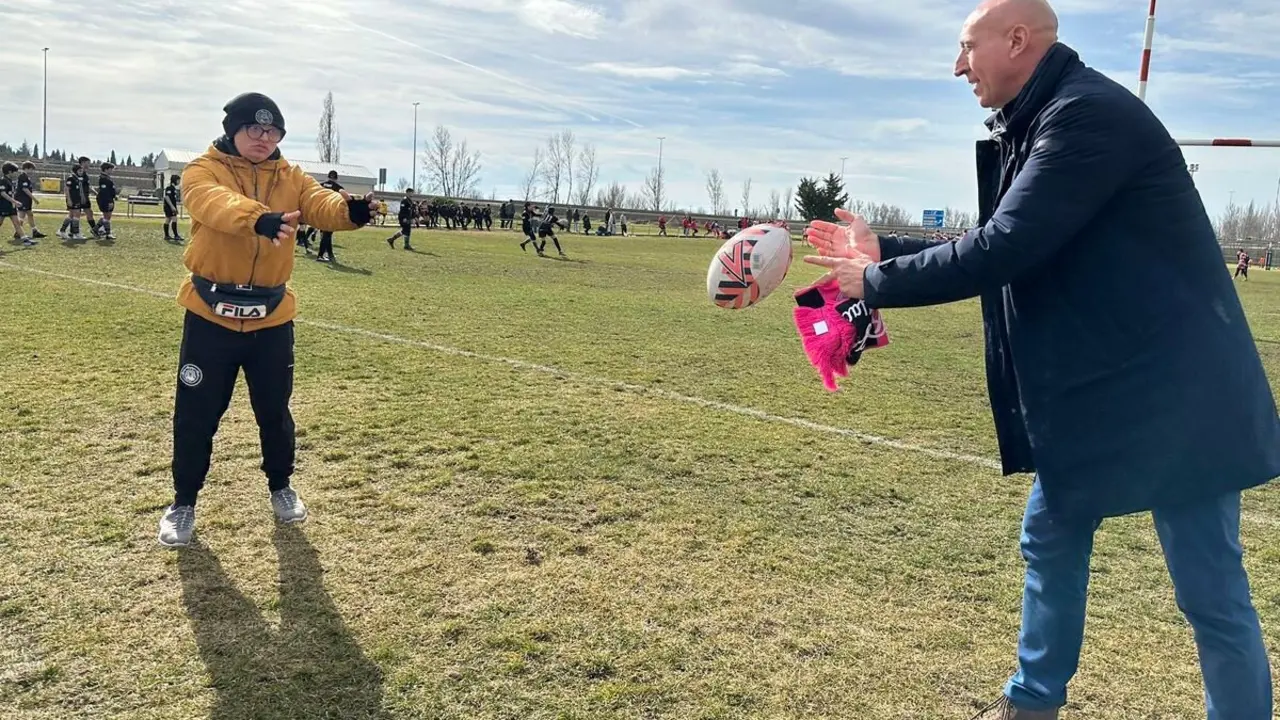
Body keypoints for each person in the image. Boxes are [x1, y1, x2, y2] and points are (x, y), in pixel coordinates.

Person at [803, 1, 1278, 718]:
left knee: (1208, 589)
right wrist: (886, 255)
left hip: (1183, 397)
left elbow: (1007, 247)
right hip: (1112, 392)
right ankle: (1030, 702)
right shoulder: (1042, 121)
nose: (957, 66)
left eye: (967, 47)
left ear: (1017, 40)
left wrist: (872, 284)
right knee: (1051, 533)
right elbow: (1001, 234)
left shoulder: (1085, 116)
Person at [158, 92, 378, 548]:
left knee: (274, 411)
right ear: (233, 130)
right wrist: (258, 218)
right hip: (210, 315)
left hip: (271, 317)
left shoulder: (290, 175)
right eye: (254, 129)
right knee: (196, 414)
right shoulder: (204, 168)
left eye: (272, 130)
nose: (264, 138)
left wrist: (349, 212)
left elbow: (318, 203)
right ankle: (183, 503)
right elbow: (208, 201)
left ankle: (281, 485)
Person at [0, 162, 32, 244]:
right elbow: (2, 193)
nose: (16, 173)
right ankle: (24, 238)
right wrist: (14, 201)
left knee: (16, 222)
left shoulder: (10, 181)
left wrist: (14, 203)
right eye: (15, 172)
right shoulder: (3, 181)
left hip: (11, 206)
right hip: (3, 205)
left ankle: (24, 239)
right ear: (10, 172)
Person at [316, 170, 343, 262]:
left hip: (320, 212)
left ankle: (330, 255)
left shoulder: (320, 185)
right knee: (327, 234)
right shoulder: (338, 188)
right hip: (330, 213)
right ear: (336, 178)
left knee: (326, 234)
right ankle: (320, 255)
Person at [14, 161, 45, 241]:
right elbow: (25, 189)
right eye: (31, 169)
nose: (32, 171)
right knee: (22, 215)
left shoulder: (27, 177)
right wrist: (34, 198)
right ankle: (18, 232)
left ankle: (34, 231)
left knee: (30, 214)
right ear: (26, 169)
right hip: (22, 199)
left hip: (26, 199)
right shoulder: (23, 177)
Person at [95, 162, 118, 240]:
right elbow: (105, 192)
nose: (112, 171)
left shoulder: (107, 178)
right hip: (105, 199)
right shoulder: (103, 179)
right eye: (111, 169)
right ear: (106, 169)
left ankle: (98, 230)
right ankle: (107, 233)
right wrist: (109, 201)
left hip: (108, 199)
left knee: (107, 216)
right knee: (107, 216)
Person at [163, 175, 184, 243]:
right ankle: (175, 235)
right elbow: (167, 197)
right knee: (173, 219)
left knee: (168, 220)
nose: (179, 182)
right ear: (175, 180)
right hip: (168, 206)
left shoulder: (174, 188)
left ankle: (167, 236)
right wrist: (172, 207)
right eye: (178, 180)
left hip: (171, 206)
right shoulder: (169, 187)